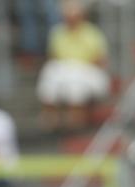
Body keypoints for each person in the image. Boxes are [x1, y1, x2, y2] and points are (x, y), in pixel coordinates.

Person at [37, 0, 108, 130]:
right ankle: (50, 117)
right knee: (50, 72)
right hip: (65, 70)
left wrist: (75, 67)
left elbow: (99, 61)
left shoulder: (92, 33)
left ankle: (76, 120)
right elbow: (53, 57)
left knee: (75, 84)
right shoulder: (57, 32)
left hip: (87, 71)